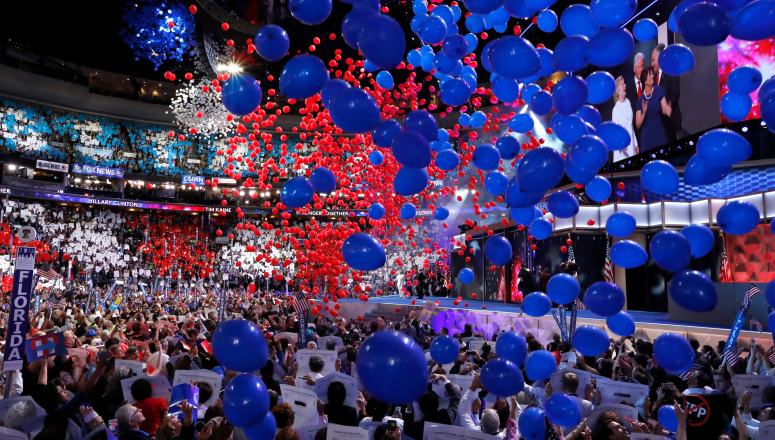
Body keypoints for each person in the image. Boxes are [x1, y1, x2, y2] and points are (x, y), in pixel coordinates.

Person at [635, 67, 672, 152]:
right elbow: (637, 124)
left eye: (652, 74)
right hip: (647, 137)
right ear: (645, 81)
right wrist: (644, 112)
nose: (652, 76)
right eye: (649, 75)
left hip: (659, 133)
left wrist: (668, 109)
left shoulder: (658, 90)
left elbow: (664, 108)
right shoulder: (641, 100)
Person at [652, 44, 683, 141]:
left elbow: (675, 93)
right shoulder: (654, 77)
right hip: (660, 126)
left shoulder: (671, 70)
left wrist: (667, 105)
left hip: (671, 123)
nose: (652, 63)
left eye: (653, 60)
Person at [612, 76, 639, 162]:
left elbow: (630, 126)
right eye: (622, 84)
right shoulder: (616, 109)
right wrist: (622, 147)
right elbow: (616, 132)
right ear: (617, 91)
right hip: (622, 149)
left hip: (632, 144)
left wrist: (636, 144)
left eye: (624, 83)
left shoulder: (628, 102)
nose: (625, 85)